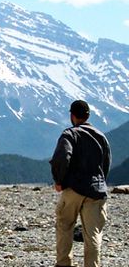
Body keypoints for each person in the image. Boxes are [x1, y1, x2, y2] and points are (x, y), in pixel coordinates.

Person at [50, 100, 111, 267]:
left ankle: (64, 263)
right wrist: (99, 181)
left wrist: (59, 181)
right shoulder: (101, 136)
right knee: (93, 234)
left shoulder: (69, 134)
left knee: (64, 225)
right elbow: (106, 163)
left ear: (72, 116)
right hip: (96, 190)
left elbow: (61, 158)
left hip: (73, 189)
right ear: (88, 115)